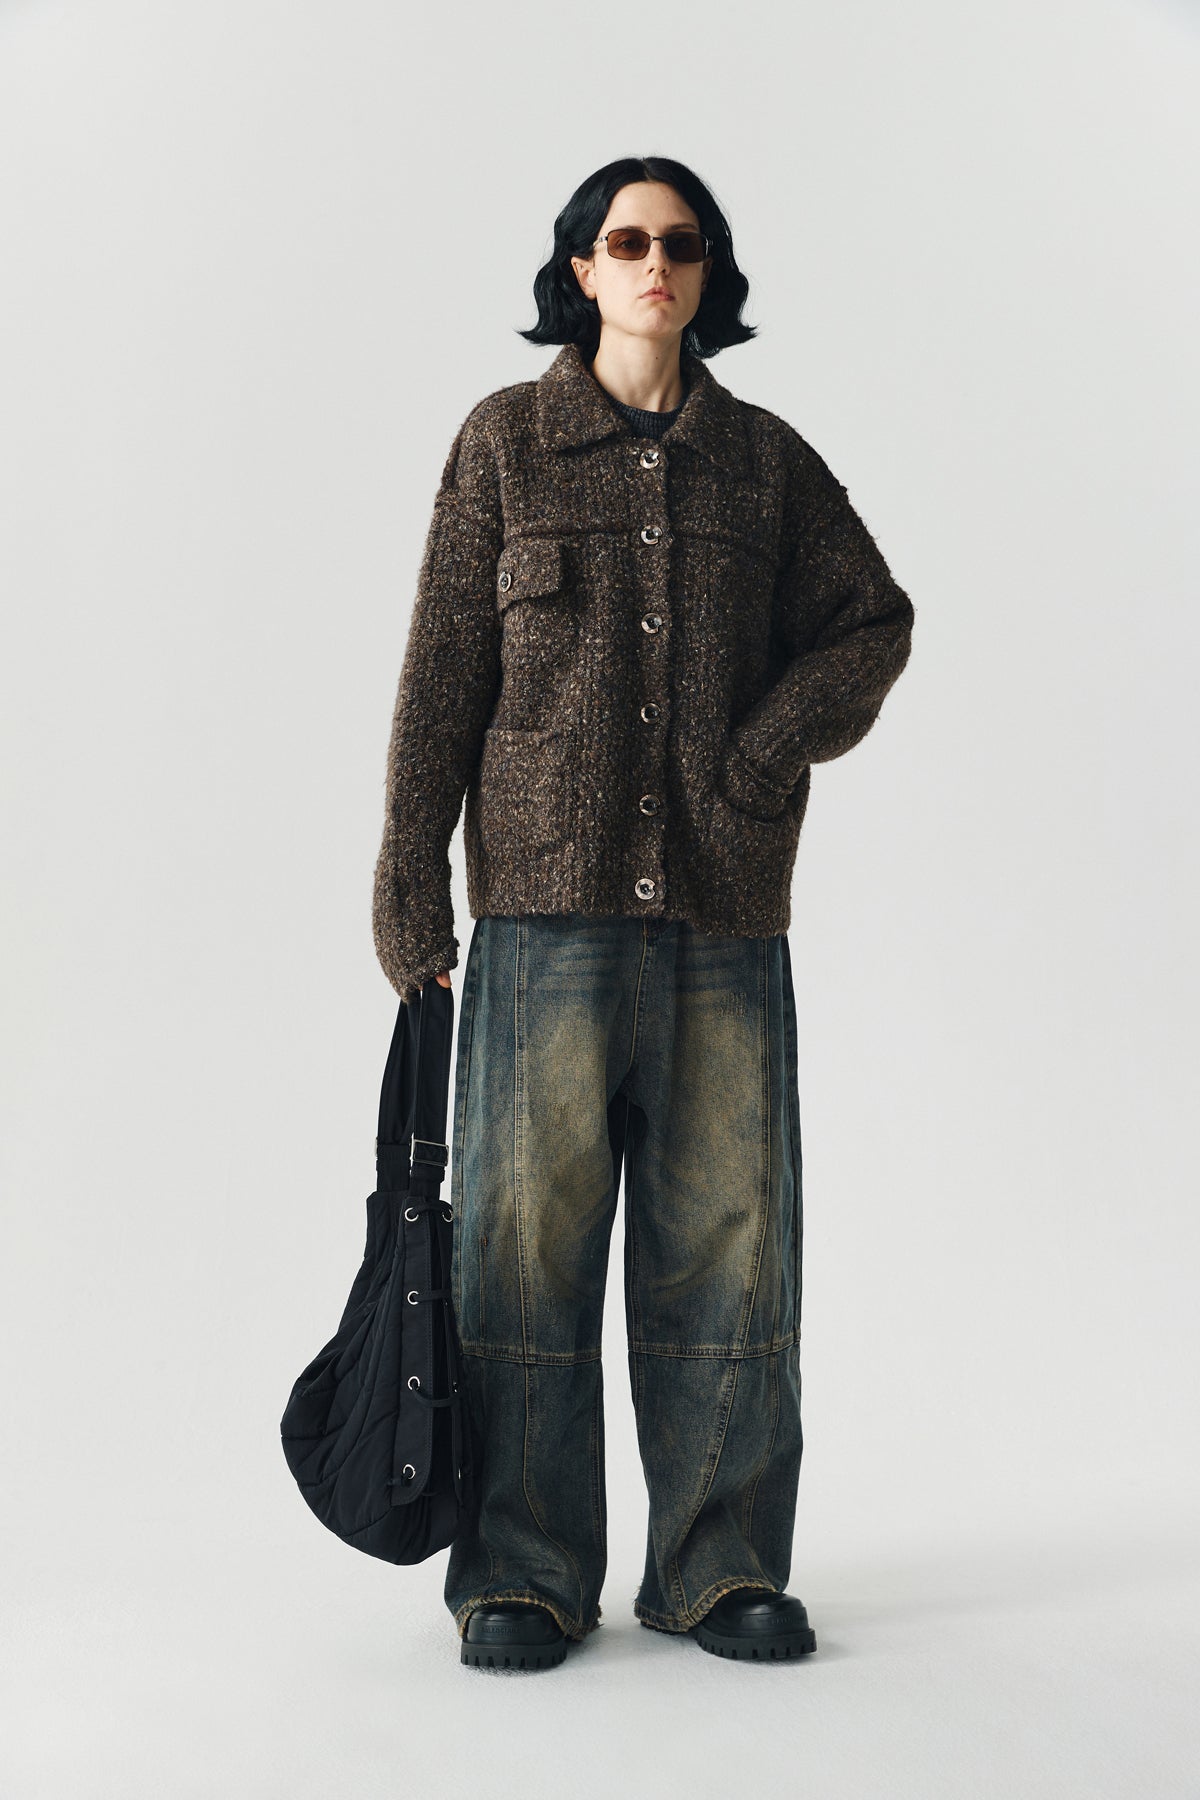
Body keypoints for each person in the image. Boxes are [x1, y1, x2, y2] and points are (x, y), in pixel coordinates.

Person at [372, 154, 915, 1670]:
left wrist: (763, 749)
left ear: (708, 273)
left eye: (681, 243)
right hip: (540, 921)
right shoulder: (504, 442)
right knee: (522, 1256)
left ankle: (716, 1567)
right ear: (583, 270)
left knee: (730, 1250)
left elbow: (872, 622)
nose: (654, 263)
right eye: (627, 241)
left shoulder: (764, 463)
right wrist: (408, 875)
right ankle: (523, 1572)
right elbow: (442, 675)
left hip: (726, 924)